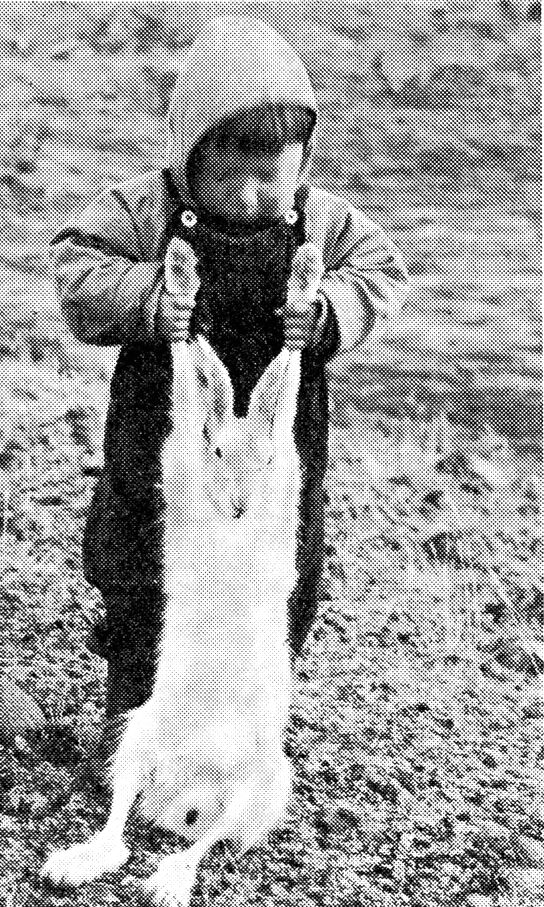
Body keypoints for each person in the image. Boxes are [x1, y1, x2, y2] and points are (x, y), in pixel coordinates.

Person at [48, 15, 409, 763]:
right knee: (148, 571)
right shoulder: (143, 210)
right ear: (186, 157)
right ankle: (131, 738)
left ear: (302, 163)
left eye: (268, 176)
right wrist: (148, 296)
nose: (246, 198)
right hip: (165, 440)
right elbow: (78, 271)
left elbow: (382, 270)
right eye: (224, 176)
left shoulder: (323, 220)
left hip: (274, 454)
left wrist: (332, 309)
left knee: (272, 584)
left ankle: (232, 744)